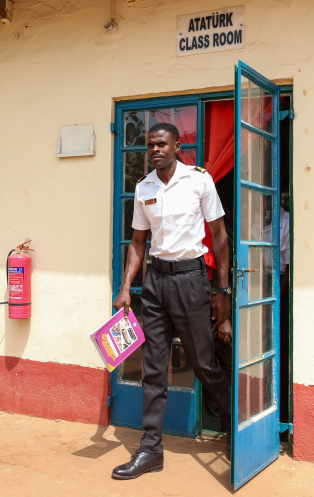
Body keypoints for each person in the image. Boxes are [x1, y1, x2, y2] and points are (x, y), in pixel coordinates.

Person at [111, 123, 233, 479]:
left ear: (177, 146)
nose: (155, 150)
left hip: (191, 281)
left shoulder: (198, 180)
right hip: (156, 283)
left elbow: (220, 236)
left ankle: (231, 422)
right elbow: (137, 242)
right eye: (150, 145)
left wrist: (221, 290)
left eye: (162, 144)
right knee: (153, 368)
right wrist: (125, 286)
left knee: (203, 363)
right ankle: (151, 450)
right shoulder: (144, 187)